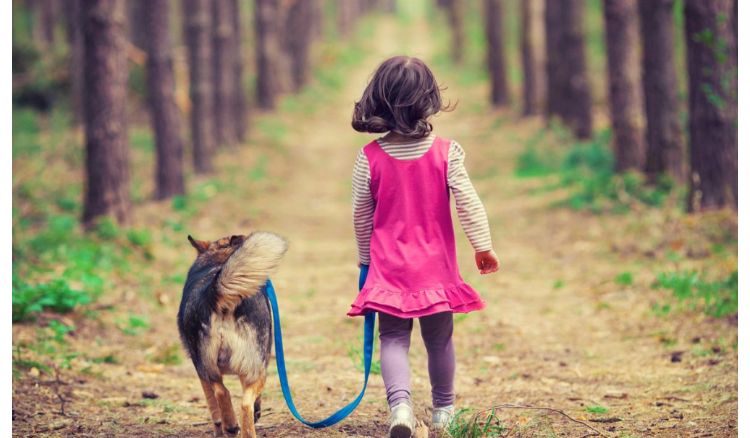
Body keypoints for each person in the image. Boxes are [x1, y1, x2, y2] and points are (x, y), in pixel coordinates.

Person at [348, 55, 499, 438]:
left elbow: (361, 216)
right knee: (439, 339)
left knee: (394, 339)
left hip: (390, 269)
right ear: (428, 99)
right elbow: (468, 201)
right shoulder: (447, 153)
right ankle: (444, 411)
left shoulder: (369, 159)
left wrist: (365, 260)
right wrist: (482, 246)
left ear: (377, 100)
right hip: (436, 268)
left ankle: (400, 408)